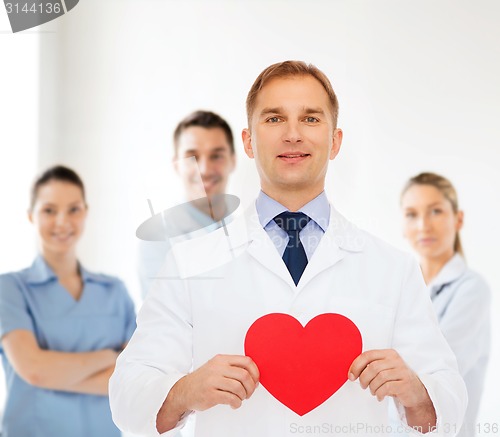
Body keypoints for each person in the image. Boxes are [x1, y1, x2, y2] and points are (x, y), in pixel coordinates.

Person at [110, 61, 466, 437]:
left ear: (336, 141)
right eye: (274, 119)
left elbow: (449, 402)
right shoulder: (188, 263)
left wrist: (416, 392)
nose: (293, 134)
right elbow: (127, 395)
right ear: (248, 141)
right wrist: (185, 391)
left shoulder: (393, 269)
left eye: (311, 119)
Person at [0, 165, 136, 437]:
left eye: (73, 209)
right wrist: (111, 356)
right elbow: (34, 370)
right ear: (31, 216)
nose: (62, 221)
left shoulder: (115, 292)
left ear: (85, 212)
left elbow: (133, 379)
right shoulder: (10, 289)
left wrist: (55, 373)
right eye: (49, 210)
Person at [401, 172, 491, 437]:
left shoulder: (471, 290)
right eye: (411, 214)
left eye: (436, 211)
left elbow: (437, 371)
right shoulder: (400, 285)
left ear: (458, 219)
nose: (423, 226)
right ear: (403, 227)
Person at [137, 110, 236, 297]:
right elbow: (164, 319)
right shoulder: (158, 237)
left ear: (233, 160)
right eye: (192, 157)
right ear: (176, 165)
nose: (205, 170)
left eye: (216, 156)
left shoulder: (252, 230)